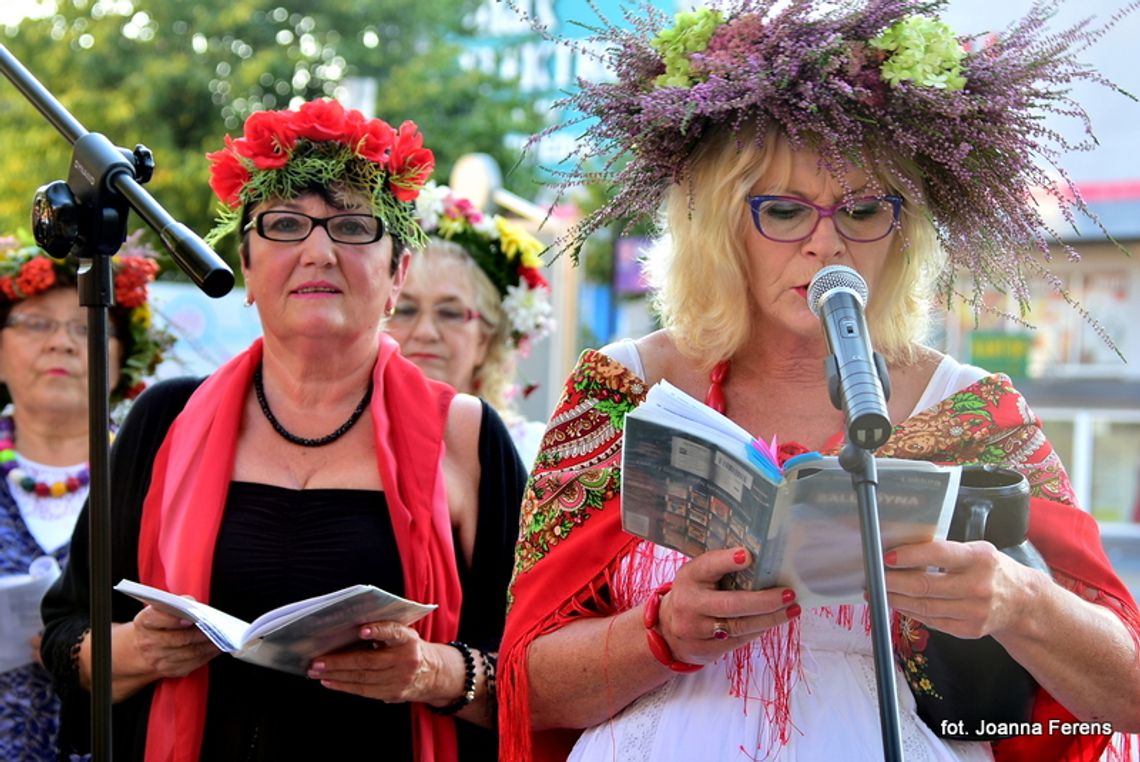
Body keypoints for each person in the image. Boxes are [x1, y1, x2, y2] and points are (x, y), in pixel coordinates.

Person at [498, 2, 1140, 761]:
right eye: (783, 211)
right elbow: (527, 692)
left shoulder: (973, 410)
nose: (826, 242)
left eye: (865, 209)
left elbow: (1125, 696)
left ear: (905, 231)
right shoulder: (621, 391)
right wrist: (661, 633)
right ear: (715, 224)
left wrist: (1017, 600)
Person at [40, 98, 526, 762]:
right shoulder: (165, 420)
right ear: (246, 266)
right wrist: (140, 649)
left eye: (353, 227)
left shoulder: (466, 436)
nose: (319, 252)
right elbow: (66, 635)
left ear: (397, 275)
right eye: (287, 225)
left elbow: (539, 671)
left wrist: (435, 673)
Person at [0, 236, 166, 761]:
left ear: (124, 363)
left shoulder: (160, 478)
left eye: (84, 326)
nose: (63, 343)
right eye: (36, 322)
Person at [386, 182, 554, 466]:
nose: (425, 332)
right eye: (405, 310)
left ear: (484, 340)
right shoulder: (339, 445)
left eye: (450, 313)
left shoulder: (532, 456)